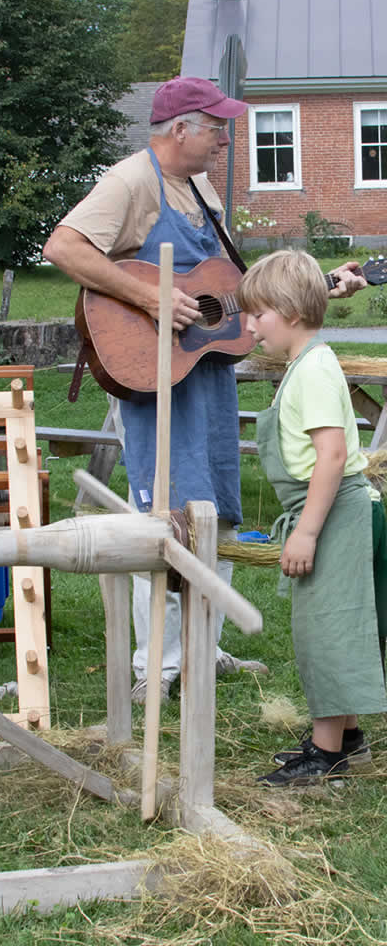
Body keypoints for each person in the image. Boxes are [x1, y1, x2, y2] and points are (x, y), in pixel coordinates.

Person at [42, 75, 365, 703]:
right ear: (179, 128)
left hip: (205, 374)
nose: (224, 138)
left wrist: (321, 286)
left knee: (213, 512)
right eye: (215, 127)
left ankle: (201, 650)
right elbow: (64, 246)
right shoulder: (132, 180)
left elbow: (231, 297)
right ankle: (156, 668)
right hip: (155, 376)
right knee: (166, 516)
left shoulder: (202, 189)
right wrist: (150, 294)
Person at [237, 250, 387, 785]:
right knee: (333, 628)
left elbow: (331, 457)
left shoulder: (315, 368)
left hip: (334, 512)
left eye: (258, 314)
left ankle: (327, 760)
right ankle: (346, 740)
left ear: (291, 312)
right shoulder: (305, 364)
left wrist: (305, 531)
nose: (249, 326)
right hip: (330, 512)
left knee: (328, 634)